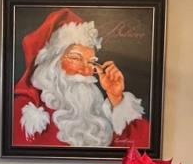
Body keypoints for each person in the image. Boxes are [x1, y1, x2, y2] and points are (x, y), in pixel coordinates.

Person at [12, 8, 150, 149]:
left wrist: (117, 98)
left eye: (91, 62)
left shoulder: (98, 113)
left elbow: (141, 148)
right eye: (76, 58)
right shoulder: (23, 111)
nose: (85, 70)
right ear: (53, 62)